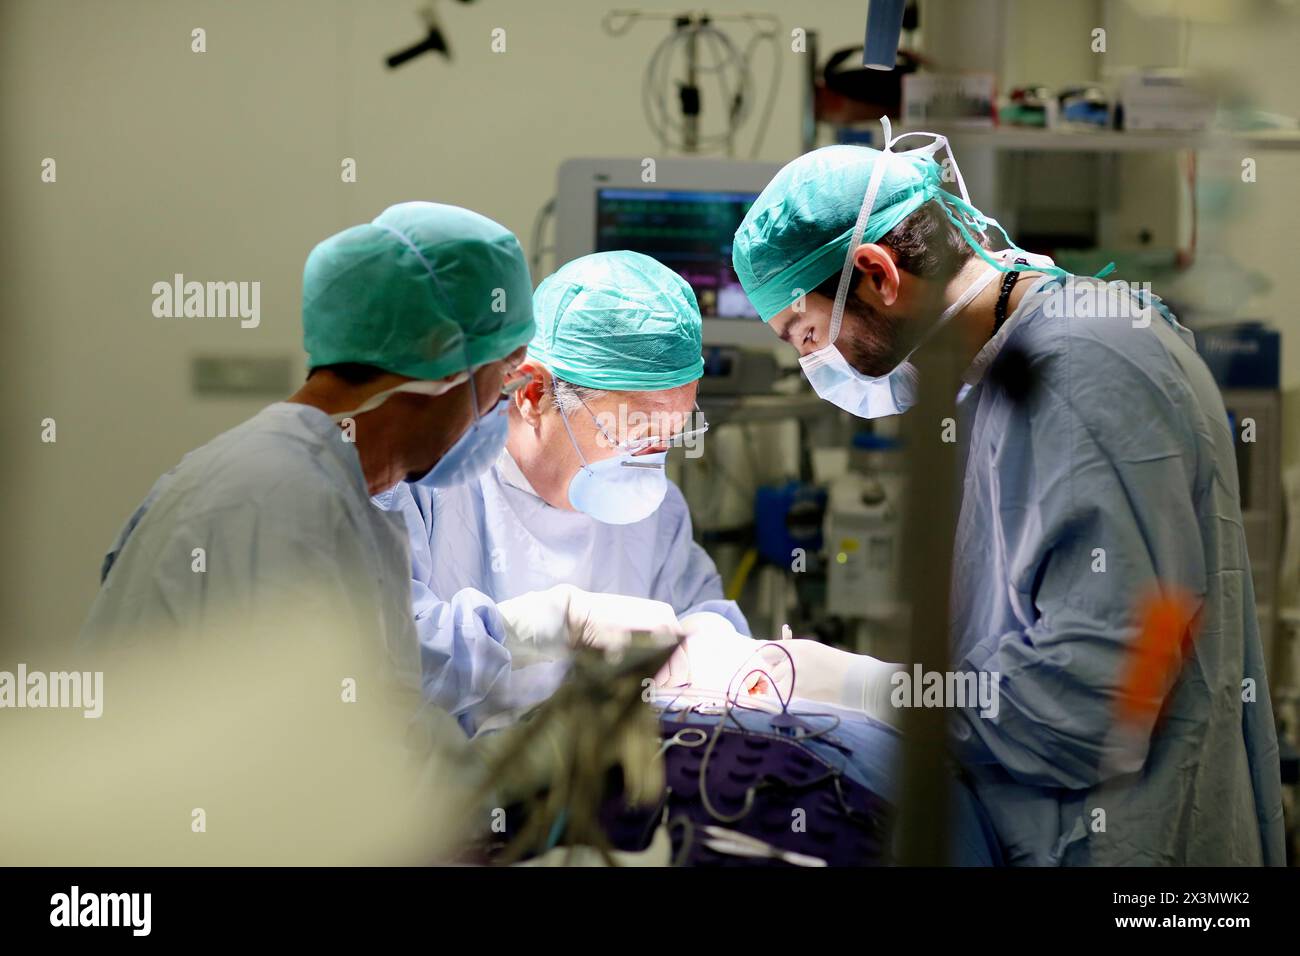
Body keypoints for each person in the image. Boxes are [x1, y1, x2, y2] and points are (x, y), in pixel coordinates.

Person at [730, 120, 1285, 865]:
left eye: (804, 334)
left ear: (879, 275)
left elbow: (1087, 707)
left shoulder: (1076, 372)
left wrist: (863, 688)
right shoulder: (1021, 364)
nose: (814, 364)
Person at [80, 201, 535, 689]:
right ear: (443, 362)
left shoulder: (321, 487)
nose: (499, 407)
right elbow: (286, 745)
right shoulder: (278, 502)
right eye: (505, 375)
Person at [374, 250, 755, 735]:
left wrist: (711, 644)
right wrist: (551, 624)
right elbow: (385, 656)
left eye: (668, 437)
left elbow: (697, 607)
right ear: (533, 396)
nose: (649, 462)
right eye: (633, 433)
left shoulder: (656, 513)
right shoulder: (424, 480)